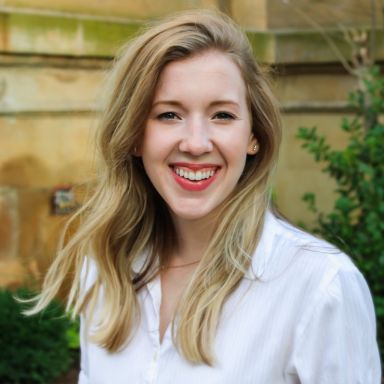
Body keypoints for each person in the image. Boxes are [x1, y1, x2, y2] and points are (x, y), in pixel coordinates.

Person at [29, 9, 381, 383]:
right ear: (133, 136)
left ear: (253, 136)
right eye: (168, 115)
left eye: (222, 116)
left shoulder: (321, 287)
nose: (196, 144)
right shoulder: (104, 269)